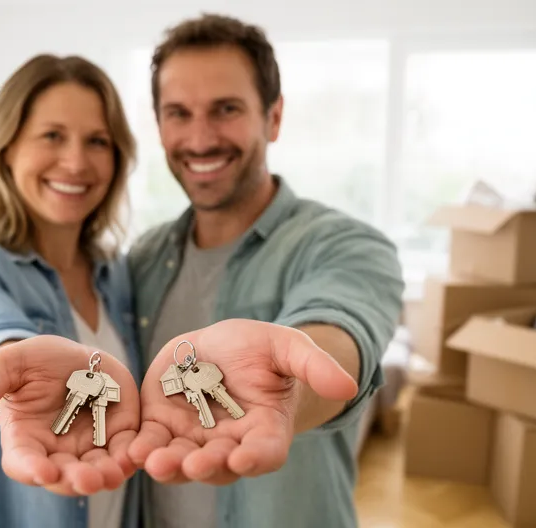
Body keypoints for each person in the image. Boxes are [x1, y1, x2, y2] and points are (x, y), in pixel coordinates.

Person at [124, 14, 404, 528]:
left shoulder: (345, 244)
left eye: (226, 109)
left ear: (273, 117)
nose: (200, 138)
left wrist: (288, 389)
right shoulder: (142, 258)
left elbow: (341, 325)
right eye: (178, 113)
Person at [0, 54, 144, 528]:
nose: (76, 161)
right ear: (8, 147)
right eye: (52, 136)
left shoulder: (116, 274)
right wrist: (16, 363)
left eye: (97, 141)